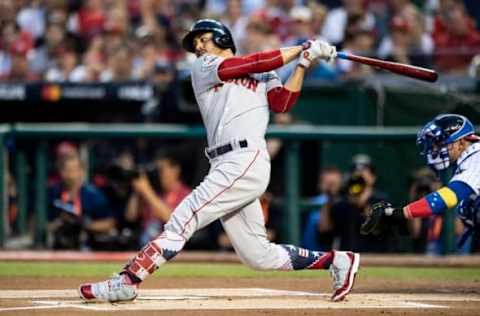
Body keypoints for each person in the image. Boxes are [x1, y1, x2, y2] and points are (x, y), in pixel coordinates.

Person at [79, 19, 359, 303]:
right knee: (257, 255)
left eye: (204, 39)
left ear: (223, 38)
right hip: (224, 162)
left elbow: (282, 104)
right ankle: (337, 261)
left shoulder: (264, 73)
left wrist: (303, 64)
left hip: (245, 159)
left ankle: (128, 280)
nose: (198, 46)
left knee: (183, 216)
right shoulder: (204, 67)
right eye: (195, 42)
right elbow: (252, 63)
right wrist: (301, 49)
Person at [361, 114, 480, 253]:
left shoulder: (476, 159)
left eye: (441, 143)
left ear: (461, 143)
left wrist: (396, 213)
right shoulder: (469, 159)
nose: (435, 149)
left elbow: (446, 198)